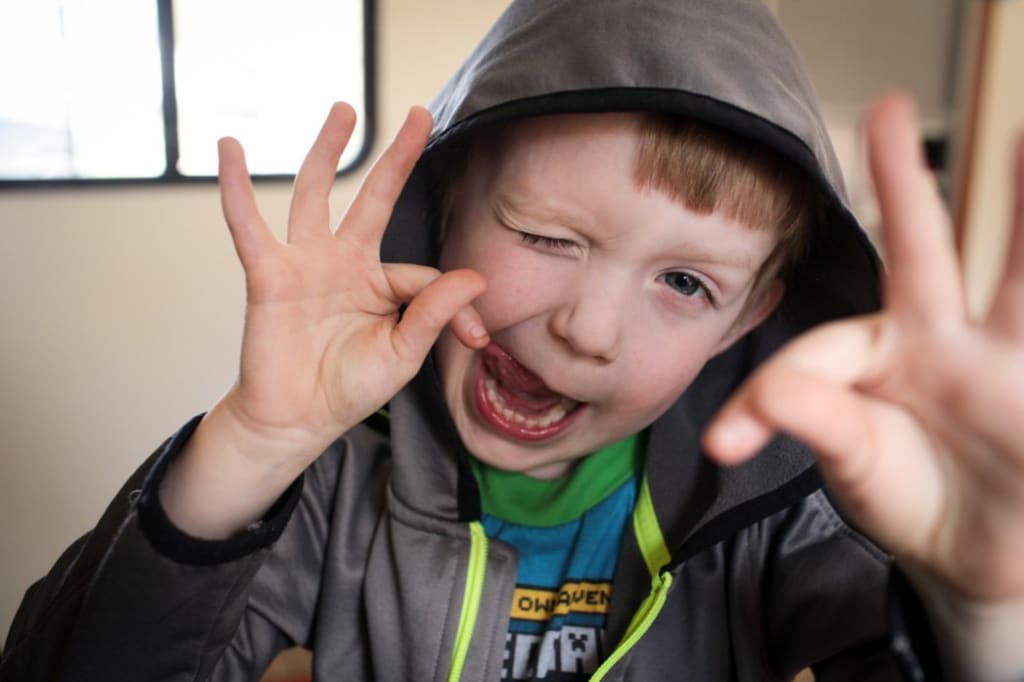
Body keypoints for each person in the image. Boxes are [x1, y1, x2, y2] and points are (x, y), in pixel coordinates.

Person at [3, 0, 1023, 679]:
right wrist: (252, 446)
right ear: (443, 210)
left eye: (682, 280)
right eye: (546, 236)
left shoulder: (779, 514)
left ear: (748, 317)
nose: (586, 329)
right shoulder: (337, 481)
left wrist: (987, 613)